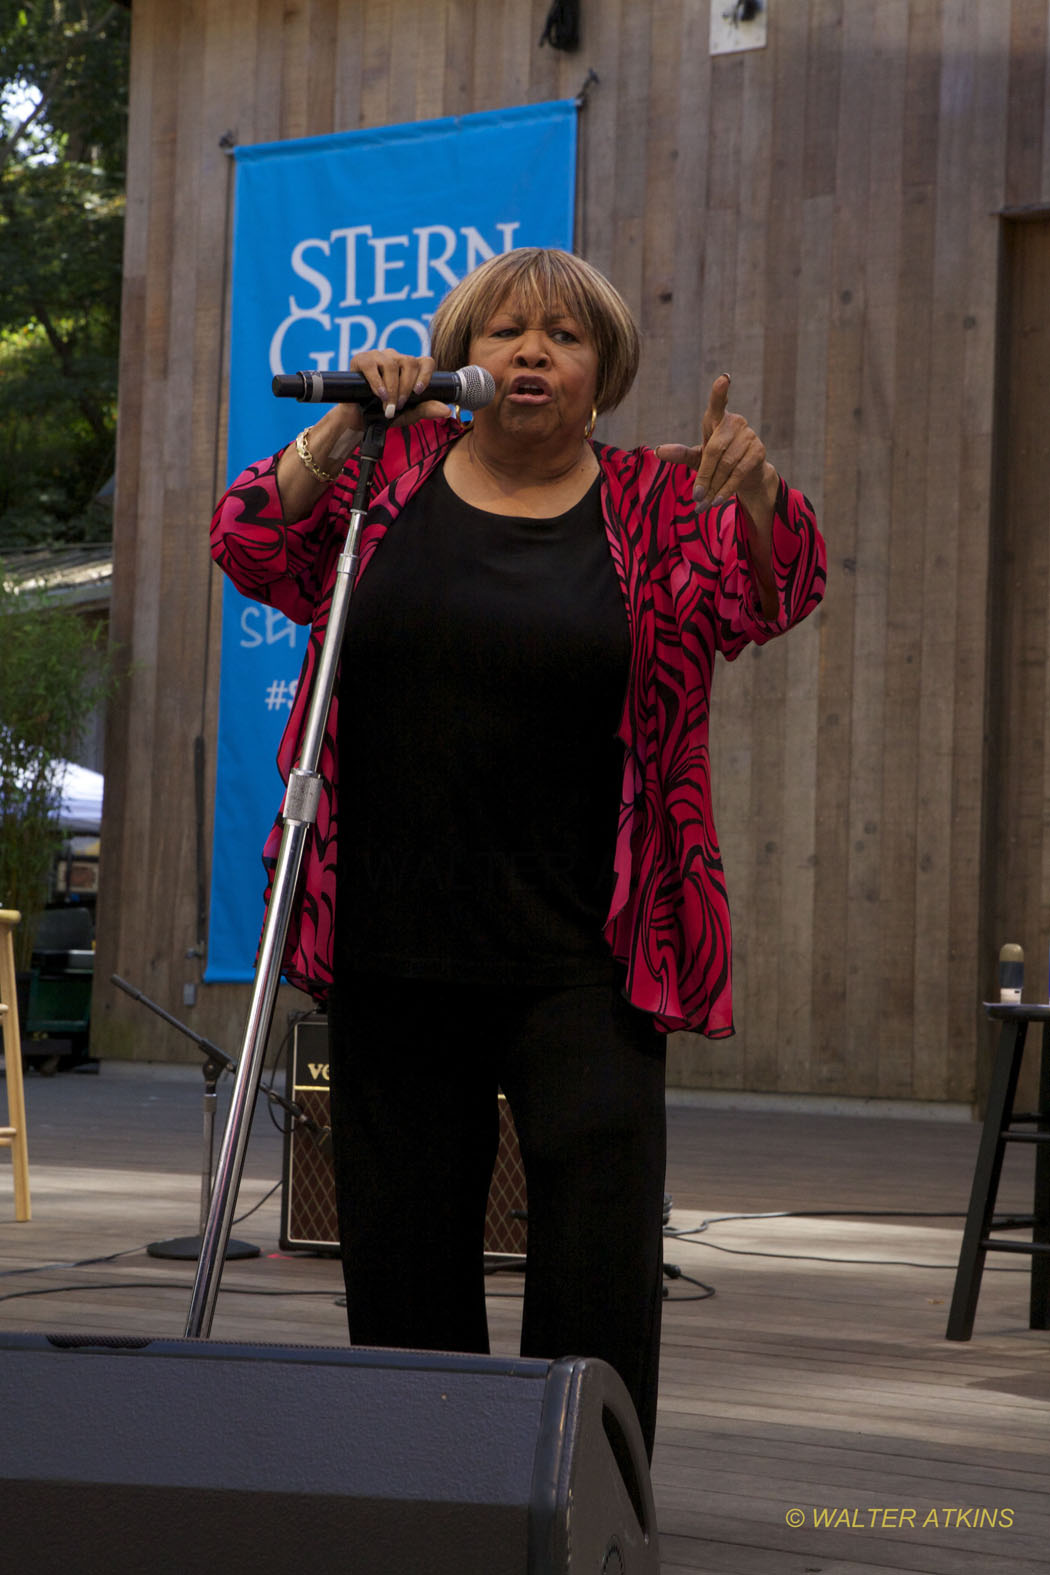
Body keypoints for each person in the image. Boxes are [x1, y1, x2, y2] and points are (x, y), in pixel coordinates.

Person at [210, 247, 826, 1457]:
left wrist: (753, 497)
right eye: (502, 333)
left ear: (604, 373)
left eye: (564, 336)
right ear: (462, 361)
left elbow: (777, 593)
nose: (530, 352)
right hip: (390, 935)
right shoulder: (386, 472)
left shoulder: (658, 498)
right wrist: (346, 427)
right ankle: (431, 1487)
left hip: (590, 951)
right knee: (401, 1253)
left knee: (596, 1256)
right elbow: (249, 544)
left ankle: (588, 1492)